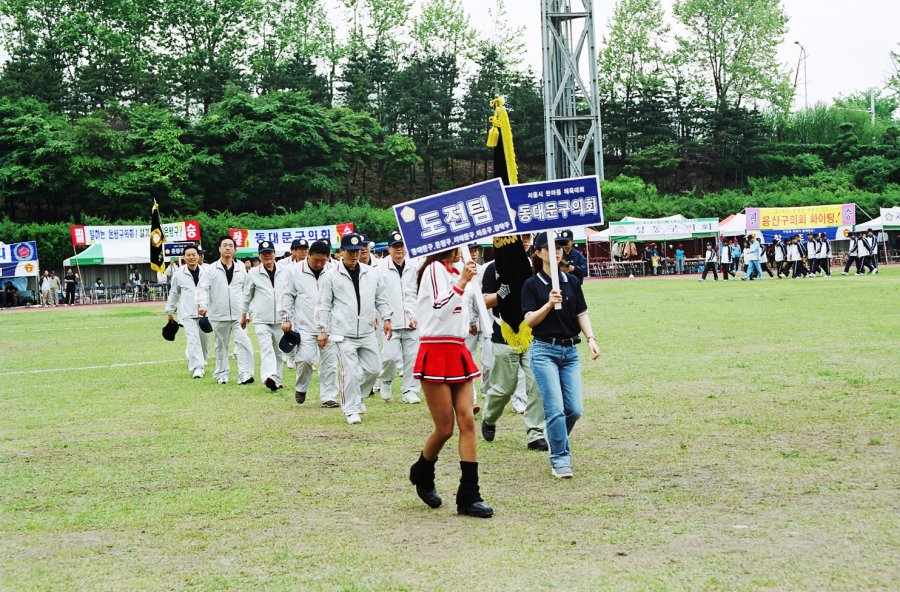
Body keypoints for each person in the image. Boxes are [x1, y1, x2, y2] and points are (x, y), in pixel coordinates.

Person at [407, 246, 493, 518]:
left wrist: (470, 281)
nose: (465, 252)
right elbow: (440, 308)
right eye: (459, 247)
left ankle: (469, 494)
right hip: (434, 349)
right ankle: (422, 471)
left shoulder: (459, 270)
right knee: (444, 428)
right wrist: (464, 281)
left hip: (458, 349)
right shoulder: (433, 269)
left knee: (467, 420)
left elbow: (466, 309)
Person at [522, 232, 600, 479]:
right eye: (548, 247)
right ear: (538, 252)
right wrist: (547, 304)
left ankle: (554, 436)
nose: (555, 251)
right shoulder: (532, 284)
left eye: (559, 247)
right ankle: (560, 458)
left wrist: (591, 339)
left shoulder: (572, 281)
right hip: (544, 350)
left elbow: (581, 313)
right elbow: (529, 321)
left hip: (570, 351)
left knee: (574, 409)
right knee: (555, 409)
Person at [316, 233, 393, 424]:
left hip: (367, 330)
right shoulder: (331, 275)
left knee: (375, 369)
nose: (354, 255)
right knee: (349, 372)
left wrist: (387, 318)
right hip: (343, 333)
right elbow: (323, 304)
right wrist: (323, 329)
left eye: (357, 251)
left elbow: (381, 298)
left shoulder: (371, 272)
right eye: (350, 251)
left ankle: (357, 397)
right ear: (341, 252)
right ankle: (351, 409)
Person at [480, 237, 548, 451]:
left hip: (531, 334)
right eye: (520, 238)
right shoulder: (493, 268)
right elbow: (483, 301)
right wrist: (501, 295)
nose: (524, 242)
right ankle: (489, 417)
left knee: (537, 383)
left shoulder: (536, 266)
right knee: (504, 388)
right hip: (504, 333)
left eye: (527, 238)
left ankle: (535, 433)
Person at [280, 240, 340, 407]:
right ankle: (301, 387)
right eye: (316, 260)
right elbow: (287, 296)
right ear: (309, 256)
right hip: (304, 324)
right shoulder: (294, 271)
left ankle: (328, 397)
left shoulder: (334, 270)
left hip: (329, 325)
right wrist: (286, 319)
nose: (320, 264)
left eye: (323, 260)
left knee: (330, 363)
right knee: (305, 360)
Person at [197, 236, 255, 385]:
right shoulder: (210, 269)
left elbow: (247, 291)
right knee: (221, 345)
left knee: (244, 342)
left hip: (238, 314)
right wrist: (202, 305)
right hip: (218, 314)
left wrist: (248, 312)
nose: (228, 248)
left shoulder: (241, 268)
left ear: (235, 249)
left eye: (231, 245)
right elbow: (203, 288)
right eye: (225, 245)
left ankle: (245, 373)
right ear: (219, 249)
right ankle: (222, 373)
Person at [375, 231, 421, 404]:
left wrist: (416, 314)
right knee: (390, 356)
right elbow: (378, 295)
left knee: (412, 357)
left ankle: (409, 390)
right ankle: (386, 380)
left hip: (412, 320)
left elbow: (417, 293)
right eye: (395, 247)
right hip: (390, 320)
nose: (399, 250)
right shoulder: (380, 269)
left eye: (401, 246)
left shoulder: (414, 266)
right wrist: (382, 316)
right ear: (389, 249)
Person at [242, 241, 288, 392]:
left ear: (275, 254)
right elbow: (247, 296)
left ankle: (277, 379)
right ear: (259, 256)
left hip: (281, 318)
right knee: (266, 348)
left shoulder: (284, 270)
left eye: (270, 252)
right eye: (264, 253)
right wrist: (245, 314)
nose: (267, 255)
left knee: (280, 351)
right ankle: (269, 376)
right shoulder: (253, 273)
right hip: (262, 319)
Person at [165, 244, 210, 379]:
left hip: (204, 312)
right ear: (184, 257)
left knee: (204, 340)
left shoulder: (206, 273)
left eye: (193, 255)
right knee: (192, 339)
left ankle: (202, 360)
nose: (191, 257)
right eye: (188, 255)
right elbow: (173, 293)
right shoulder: (178, 275)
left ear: (198, 256)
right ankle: (197, 367)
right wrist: (170, 311)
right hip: (188, 313)